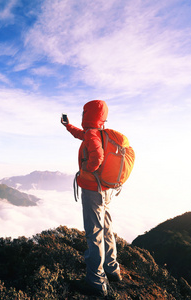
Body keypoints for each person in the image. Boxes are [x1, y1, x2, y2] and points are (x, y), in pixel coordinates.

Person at [61, 100, 121, 297]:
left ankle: (95, 280)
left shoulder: (93, 135)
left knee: (94, 232)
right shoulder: (99, 133)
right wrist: (68, 126)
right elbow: (83, 135)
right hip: (105, 189)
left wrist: (86, 169)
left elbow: (97, 157)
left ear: (88, 113)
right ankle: (112, 270)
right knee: (107, 228)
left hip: (93, 190)